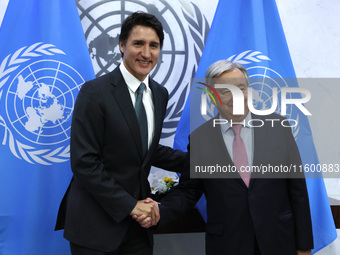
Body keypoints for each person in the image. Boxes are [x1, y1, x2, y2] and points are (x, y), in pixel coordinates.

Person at [136, 60, 314, 255]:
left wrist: (303, 246)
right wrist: (161, 211)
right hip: (229, 244)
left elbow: (298, 190)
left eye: (241, 88)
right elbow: (189, 191)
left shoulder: (278, 127)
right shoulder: (200, 139)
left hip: (279, 241)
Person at [55, 12, 185, 255]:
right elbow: (85, 162)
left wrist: (202, 161)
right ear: (122, 45)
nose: (147, 53)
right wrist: (131, 206)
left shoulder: (160, 94)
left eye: (154, 46)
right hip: (96, 227)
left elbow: (144, 149)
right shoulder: (95, 92)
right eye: (138, 44)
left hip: (138, 230)